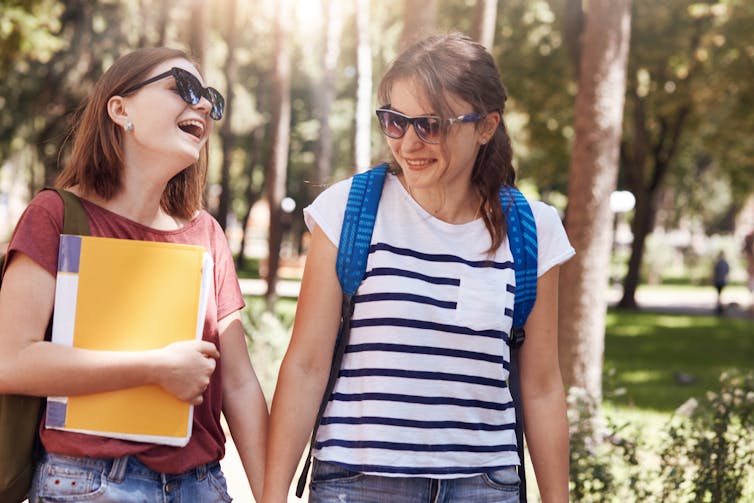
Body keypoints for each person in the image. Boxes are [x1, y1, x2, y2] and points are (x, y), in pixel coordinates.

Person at [262, 33, 573, 503]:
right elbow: (305, 366)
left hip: (484, 487)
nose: (408, 143)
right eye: (394, 121)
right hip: (359, 482)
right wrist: (271, 495)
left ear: (486, 127)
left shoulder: (534, 231)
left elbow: (543, 387)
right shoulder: (346, 211)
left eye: (429, 124)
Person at [0, 47, 267, 501]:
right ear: (120, 110)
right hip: (90, 485)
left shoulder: (207, 234)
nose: (201, 104)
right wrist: (155, 368)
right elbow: (10, 360)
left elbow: (239, 385)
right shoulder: (55, 215)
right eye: (183, 88)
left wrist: (272, 495)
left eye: (208, 97)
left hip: (201, 486)